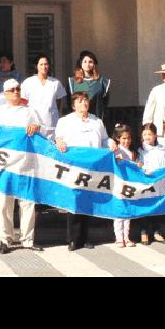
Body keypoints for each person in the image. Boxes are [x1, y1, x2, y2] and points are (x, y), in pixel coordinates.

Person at [0, 78, 44, 254]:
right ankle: (5, 239)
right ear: (5, 93)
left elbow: (40, 130)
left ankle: (27, 239)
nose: (17, 91)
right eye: (13, 89)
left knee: (27, 203)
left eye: (18, 88)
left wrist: (35, 127)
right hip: (5, 164)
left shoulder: (30, 111)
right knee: (4, 203)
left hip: (26, 162)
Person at [53, 92, 113, 251]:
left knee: (88, 202)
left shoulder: (97, 121)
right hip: (74, 167)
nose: (84, 103)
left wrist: (112, 142)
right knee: (74, 201)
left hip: (93, 168)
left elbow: (105, 139)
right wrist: (58, 141)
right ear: (74, 105)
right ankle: (73, 239)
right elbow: (58, 138)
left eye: (86, 100)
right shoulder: (64, 121)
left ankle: (85, 238)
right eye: (80, 101)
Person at [137, 123, 165, 245]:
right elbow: (138, 163)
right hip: (145, 183)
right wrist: (141, 167)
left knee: (157, 207)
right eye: (144, 134)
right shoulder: (140, 150)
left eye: (149, 134)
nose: (147, 137)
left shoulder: (161, 149)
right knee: (145, 207)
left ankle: (156, 232)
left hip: (158, 183)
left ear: (155, 135)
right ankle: (143, 232)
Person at [21, 54, 67, 140]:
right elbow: (23, 102)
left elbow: (58, 102)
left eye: (46, 64)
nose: (44, 67)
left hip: (51, 123)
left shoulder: (55, 83)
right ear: (36, 66)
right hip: (33, 124)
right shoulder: (28, 82)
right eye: (41, 64)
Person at [111, 123, 137, 248]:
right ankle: (118, 237)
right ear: (118, 138)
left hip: (128, 185)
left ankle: (126, 237)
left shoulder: (132, 153)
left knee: (127, 212)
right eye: (123, 139)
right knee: (118, 212)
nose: (126, 141)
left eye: (128, 138)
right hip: (118, 184)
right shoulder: (115, 150)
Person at [67, 50, 110, 120]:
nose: (87, 64)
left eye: (90, 62)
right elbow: (69, 102)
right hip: (78, 120)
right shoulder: (72, 82)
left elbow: (105, 102)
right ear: (80, 63)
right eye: (85, 61)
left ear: (94, 64)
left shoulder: (102, 82)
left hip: (96, 119)